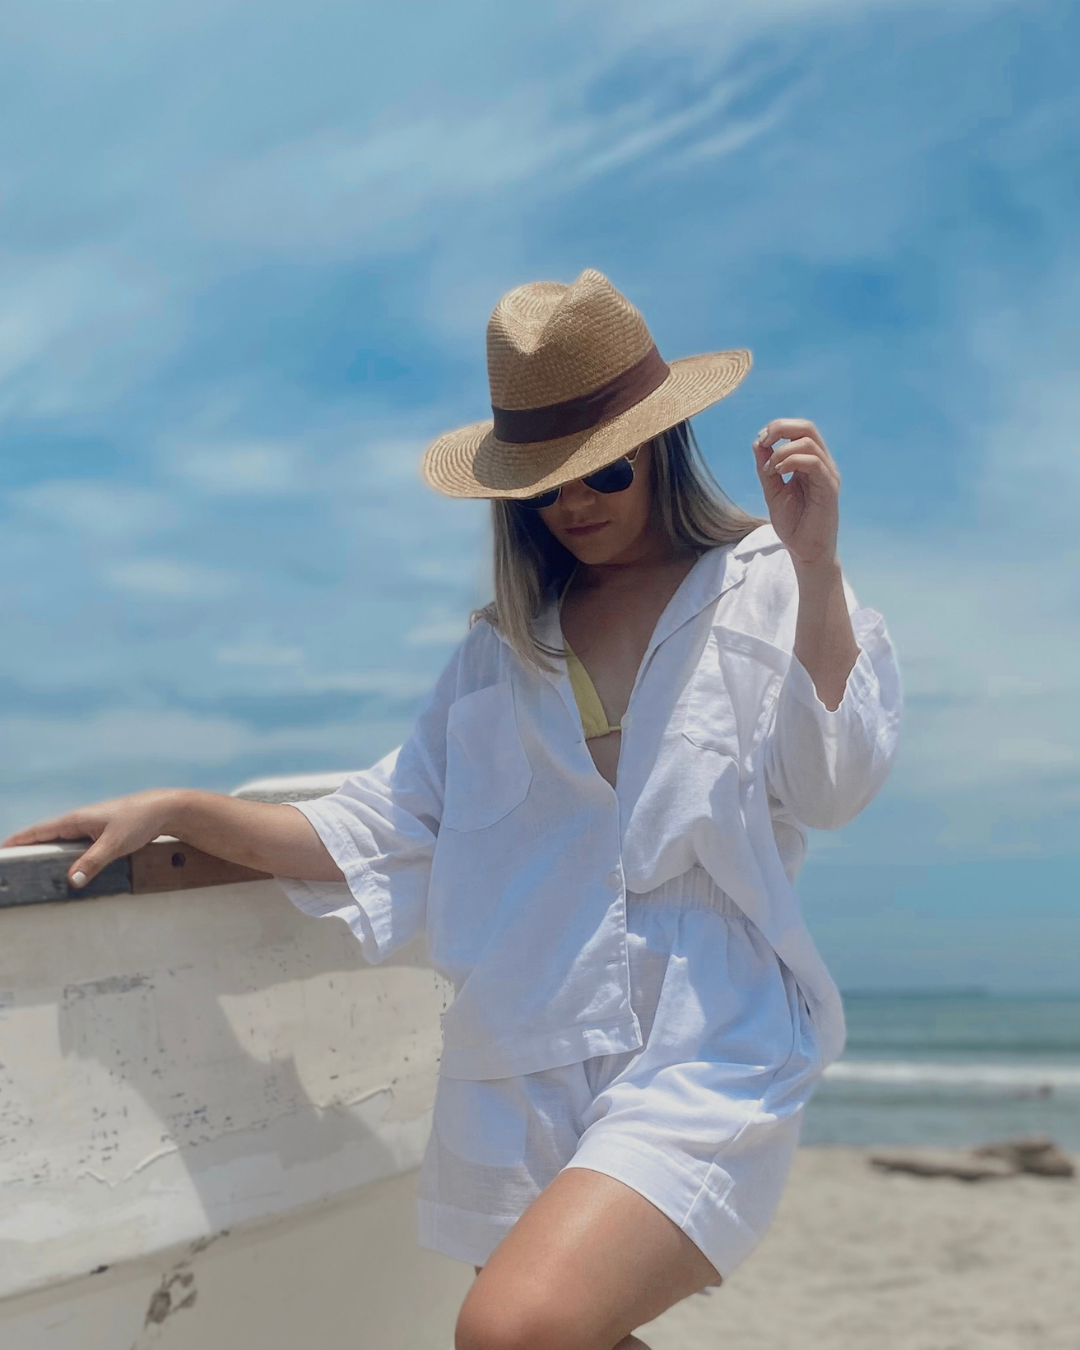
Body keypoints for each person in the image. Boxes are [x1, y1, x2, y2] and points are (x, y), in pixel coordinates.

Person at [3, 269, 901, 1350]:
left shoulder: (765, 586)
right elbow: (375, 829)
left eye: (603, 471)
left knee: (508, 1331)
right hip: (516, 1057)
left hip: (704, 1043)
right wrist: (179, 809)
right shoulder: (500, 653)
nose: (574, 506)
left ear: (661, 447)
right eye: (542, 488)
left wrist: (817, 567)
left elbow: (834, 786)